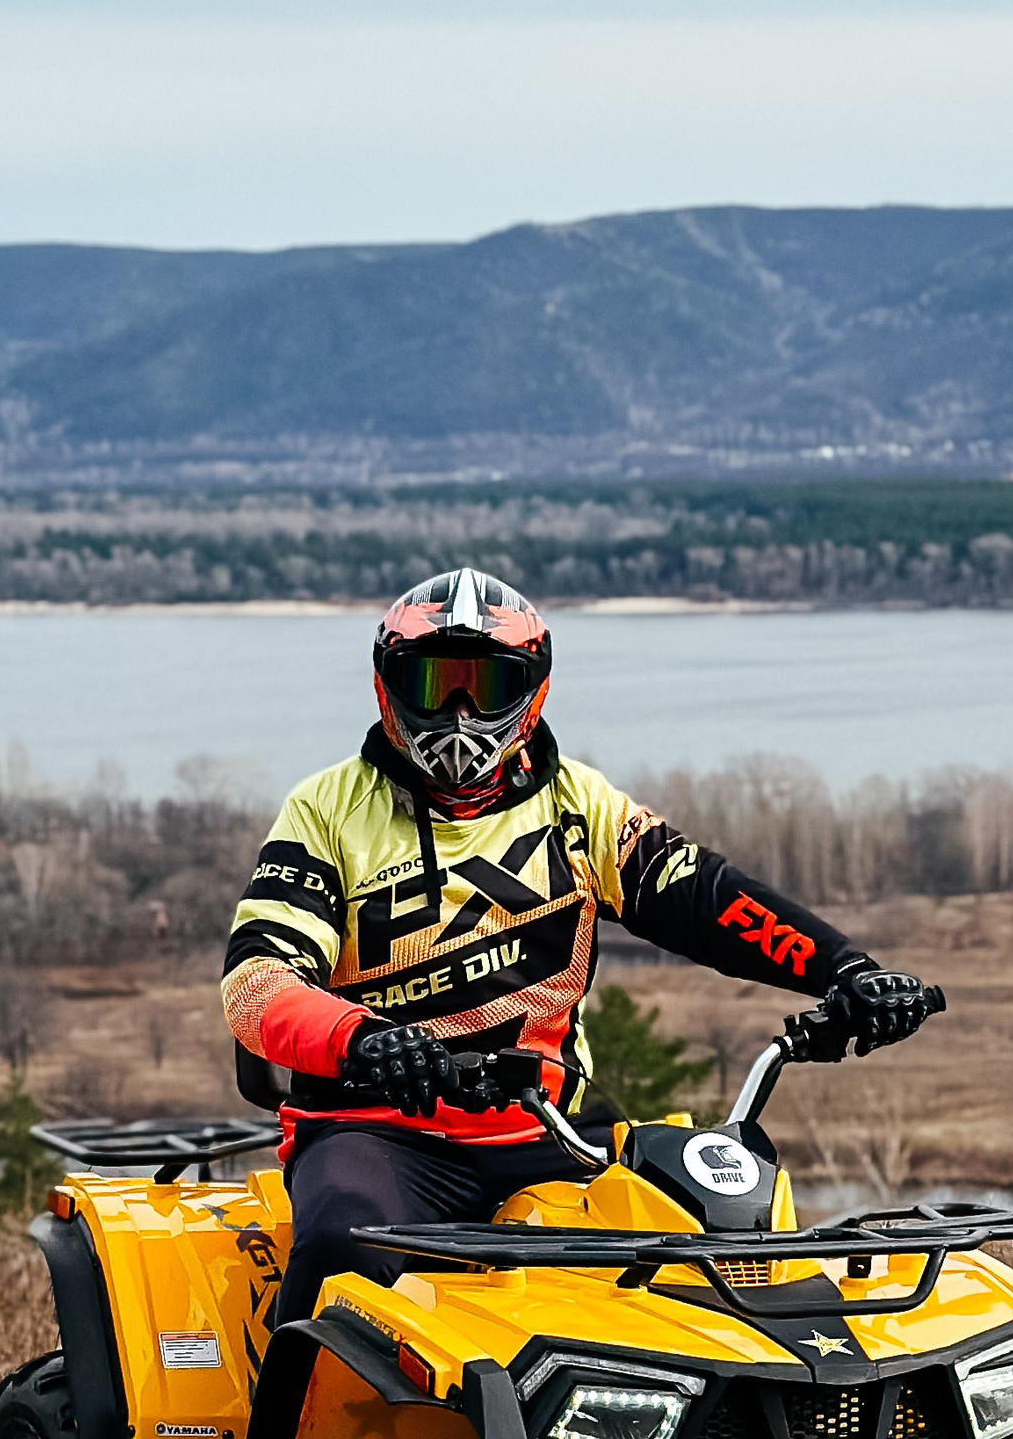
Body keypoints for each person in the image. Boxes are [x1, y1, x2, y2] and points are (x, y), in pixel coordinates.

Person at [222, 567, 934, 1337]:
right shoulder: (326, 810)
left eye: (486, 686)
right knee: (341, 1242)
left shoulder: (580, 805)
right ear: (387, 684)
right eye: (434, 683)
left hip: (549, 1128)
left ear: (532, 691)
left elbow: (708, 898)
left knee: (710, 1253)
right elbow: (256, 981)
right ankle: (286, 1420)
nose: (460, 713)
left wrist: (846, 971)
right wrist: (359, 1038)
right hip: (375, 1131)